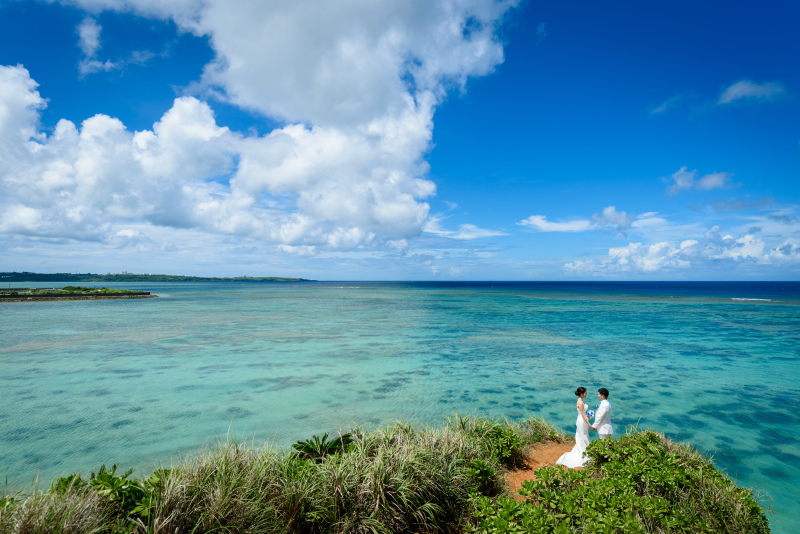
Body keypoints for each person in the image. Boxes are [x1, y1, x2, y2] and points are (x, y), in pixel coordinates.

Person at [556, 386, 592, 468]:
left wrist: (589, 416)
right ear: (581, 394)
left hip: (582, 420)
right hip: (581, 421)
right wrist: (590, 424)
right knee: (582, 436)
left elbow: (584, 414)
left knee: (584, 435)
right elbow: (583, 415)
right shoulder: (580, 402)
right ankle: (583, 452)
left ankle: (585, 450)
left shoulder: (581, 401)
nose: (586, 394)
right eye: (585, 393)